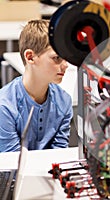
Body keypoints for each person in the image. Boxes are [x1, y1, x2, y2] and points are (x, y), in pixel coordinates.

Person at [0, 19, 73, 152]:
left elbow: (59, 153)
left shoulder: (64, 101)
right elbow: (14, 163)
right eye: (56, 58)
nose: (65, 65)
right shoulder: (5, 106)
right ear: (30, 57)